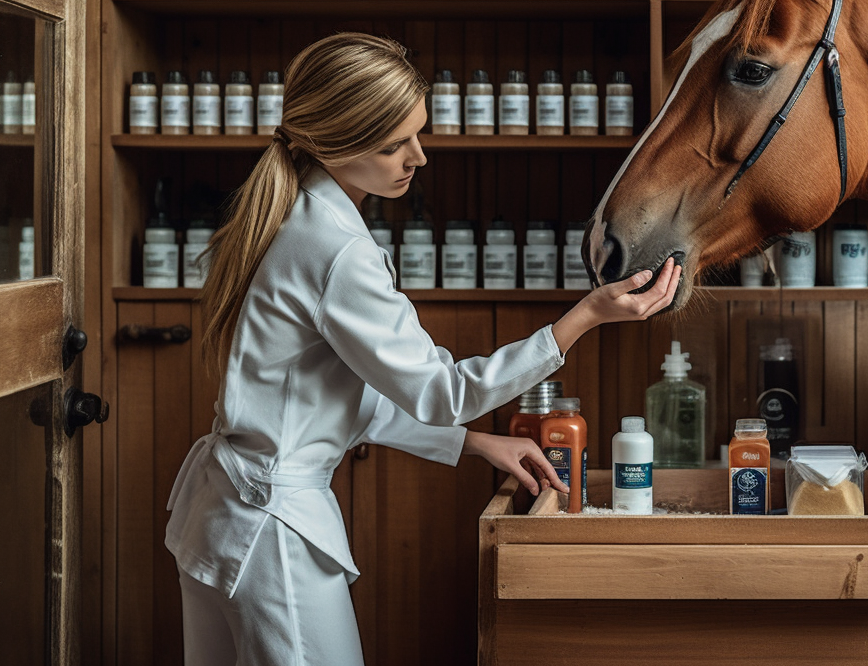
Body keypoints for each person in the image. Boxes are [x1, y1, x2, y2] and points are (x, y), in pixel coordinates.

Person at [165, 32, 681, 665]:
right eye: (393, 144)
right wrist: (583, 318)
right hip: (272, 529)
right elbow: (443, 392)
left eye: (417, 133)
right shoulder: (336, 249)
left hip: (223, 512)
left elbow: (334, 396)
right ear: (333, 143)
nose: (419, 157)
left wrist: (474, 443)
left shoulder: (292, 214)